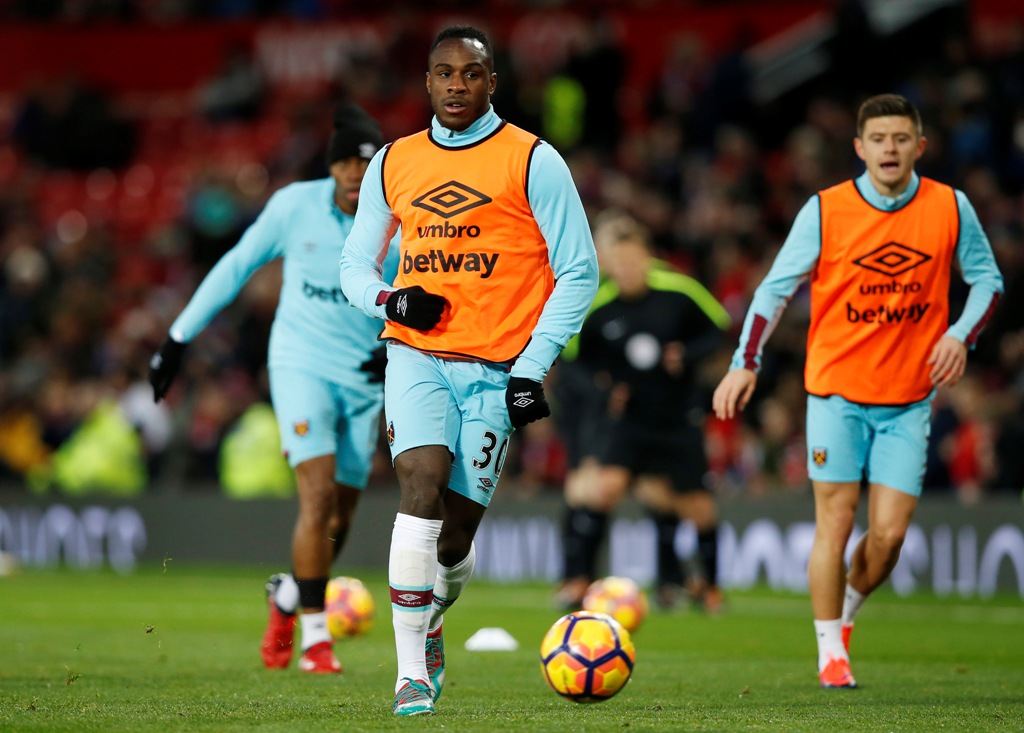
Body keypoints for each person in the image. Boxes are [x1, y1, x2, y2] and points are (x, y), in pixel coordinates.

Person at [339, 25, 599, 716]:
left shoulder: (533, 160)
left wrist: (532, 366)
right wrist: (390, 299)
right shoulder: (394, 161)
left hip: (496, 368)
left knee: (454, 538)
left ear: (493, 83)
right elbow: (352, 266)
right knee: (417, 487)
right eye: (444, 72)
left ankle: (437, 608)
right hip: (416, 354)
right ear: (426, 82)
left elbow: (580, 271)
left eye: (472, 73)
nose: (457, 84)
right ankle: (410, 673)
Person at [712, 93, 1003, 689]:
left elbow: (988, 282)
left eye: (901, 139)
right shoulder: (826, 210)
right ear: (859, 148)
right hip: (835, 394)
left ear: (919, 146)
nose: (890, 149)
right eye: (879, 140)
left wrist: (959, 336)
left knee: (890, 536)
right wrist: (746, 362)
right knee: (835, 522)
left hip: (909, 399)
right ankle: (830, 655)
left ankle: (845, 613)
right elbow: (773, 290)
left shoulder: (950, 207)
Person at [148, 102, 396, 675]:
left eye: (368, 164)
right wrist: (178, 337)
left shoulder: (400, 222)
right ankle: (315, 642)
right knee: (315, 498)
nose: (357, 174)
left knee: (339, 518)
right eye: (347, 164)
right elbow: (237, 265)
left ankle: (288, 597)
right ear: (331, 167)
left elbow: (417, 296)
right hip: (300, 365)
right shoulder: (293, 207)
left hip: (363, 379)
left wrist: (392, 350)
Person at [555, 215, 731, 613]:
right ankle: (579, 580)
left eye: (634, 259)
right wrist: (603, 389)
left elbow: (719, 329)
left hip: (677, 418)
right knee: (603, 490)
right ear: (611, 264)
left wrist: (686, 356)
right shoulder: (599, 306)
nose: (628, 268)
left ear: (648, 257)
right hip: (627, 420)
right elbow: (571, 359)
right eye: (620, 261)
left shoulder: (679, 291)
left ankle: (710, 586)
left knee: (697, 507)